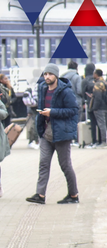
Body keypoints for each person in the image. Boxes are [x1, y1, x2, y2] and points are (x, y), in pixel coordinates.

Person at [26, 64, 80, 204]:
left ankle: (73, 195)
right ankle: (40, 195)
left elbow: (73, 110)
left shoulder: (65, 91)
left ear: (56, 75)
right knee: (43, 163)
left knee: (65, 165)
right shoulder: (43, 88)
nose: (47, 77)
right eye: (45, 74)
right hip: (46, 132)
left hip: (61, 133)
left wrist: (52, 112)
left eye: (50, 74)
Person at [84, 63, 101, 147]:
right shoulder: (98, 81)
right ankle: (101, 140)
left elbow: (81, 92)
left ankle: (94, 141)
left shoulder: (85, 80)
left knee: (93, 123)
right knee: (100, 123)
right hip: (100, 105)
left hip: (90, 104)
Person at [91, 69, 107, 148]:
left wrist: (94, 108)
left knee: (102, 125)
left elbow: (98, 97)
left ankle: (103, 141)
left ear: (96, 74)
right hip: (105, 106)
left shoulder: (98, 84)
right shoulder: (105, 82)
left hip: (100, 107)